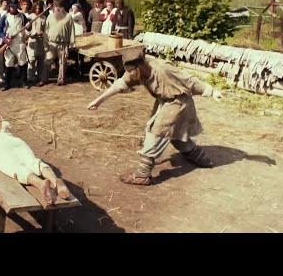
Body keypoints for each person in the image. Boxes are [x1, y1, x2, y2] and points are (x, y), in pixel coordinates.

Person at [87, 53, 222, 186]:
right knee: (176, 135)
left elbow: (189, 81)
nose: (130, 74)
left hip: (179, 102)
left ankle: (142, 174)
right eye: (128, 71)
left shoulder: (162, 69)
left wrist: (211, 91)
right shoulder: (135, 68)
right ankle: (197, 157)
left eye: (132, 71)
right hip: (165, 101)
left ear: (140, 66)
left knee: (157, 132)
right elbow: (121, 83)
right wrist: (99, 100)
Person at [0, 100, 73, 205]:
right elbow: (7, 126)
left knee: (13, 167)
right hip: (12, 140)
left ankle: (40, 184)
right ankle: (55, 180)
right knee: (33, 161)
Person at [0, 0, 30, 91]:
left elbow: (29, 27)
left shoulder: (22, 16)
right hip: (9, 43)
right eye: (11, 7)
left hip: (20, 42)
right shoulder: (5, 17)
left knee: (22, 62)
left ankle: (23, 82)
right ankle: (7, 84)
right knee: (8, 63)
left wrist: (29, 26)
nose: (13, 8)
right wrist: (4, 38)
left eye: (15, 7)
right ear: (9, 7)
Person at [45, 0, 76, 86]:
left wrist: (72, 44)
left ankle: (61, 79)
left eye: (60, 6)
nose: (58, 8)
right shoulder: (50, 17)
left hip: (63, 43)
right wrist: (45, 43)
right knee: (47, 60)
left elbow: (72, 31)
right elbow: (46, 31)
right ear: (53, 7)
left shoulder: (68, 17)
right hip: (51, 43)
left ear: (63, 7)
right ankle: (44, 78)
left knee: (62, 62)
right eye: (56, 6)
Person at [26, 1, 48, 87]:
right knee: (31, 60)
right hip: (32, 41)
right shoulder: (30, 17)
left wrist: (44, 33)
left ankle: (40, 77)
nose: (38, 10)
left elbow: (46, 29)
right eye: (36, 8)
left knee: (41, 60)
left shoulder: (43, 18)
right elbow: (26, 30)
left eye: (39, 8)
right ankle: (30, 78)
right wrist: (32, 34)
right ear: (34, 8)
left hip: (41, 41)